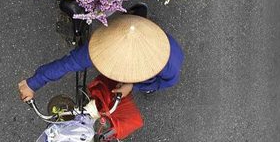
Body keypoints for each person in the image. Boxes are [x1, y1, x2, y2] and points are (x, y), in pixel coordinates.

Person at [17, 12, 184, 102]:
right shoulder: (101, 47)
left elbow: (164, 83)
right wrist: (33, 83)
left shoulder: (170, 64)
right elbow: (67, 64)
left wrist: (134, 86)